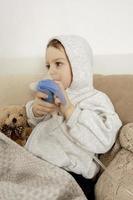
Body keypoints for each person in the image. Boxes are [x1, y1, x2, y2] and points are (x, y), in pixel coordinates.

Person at [25, 35, 122, 199]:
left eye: (58, 63)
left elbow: (104, 139)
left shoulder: (96, 99)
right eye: (48, 66)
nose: (51, 71)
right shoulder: (50, 94)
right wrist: (35, 110)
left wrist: (70, 110)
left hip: (69, 174)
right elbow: (34, 122)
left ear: (79, 66)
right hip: (34, 165)